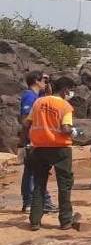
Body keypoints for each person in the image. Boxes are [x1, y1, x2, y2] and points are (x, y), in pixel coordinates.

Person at [24, 76, 77, 230]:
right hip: (60, 149)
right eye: (70, 90)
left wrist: (25, 144)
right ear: (66, 89)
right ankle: (66, 220)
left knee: (39, 184)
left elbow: (26, 123)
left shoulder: (38, 102)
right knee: (64, 185)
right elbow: (65, 128)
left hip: (39, 148)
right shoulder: (65, 106)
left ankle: (35, 221)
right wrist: (74, 132)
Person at [18, 71, 56, 212]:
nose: (45, 83)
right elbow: (25, 120)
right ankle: (30, 201)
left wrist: (47, 85)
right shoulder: (29, 96)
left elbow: (48, 97)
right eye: (44, 81)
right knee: (33, 171)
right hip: (32, 140)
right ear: (36, 81)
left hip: (36, 139)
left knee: (35, 171)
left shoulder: (38, 96)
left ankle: (35, 201)